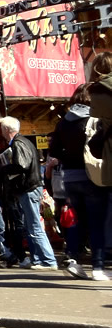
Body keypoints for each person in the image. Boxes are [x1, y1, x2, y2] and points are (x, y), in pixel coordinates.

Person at [49, 83, 109, 281]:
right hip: (92, 175)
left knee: (74, 221)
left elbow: (55, 151)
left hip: (69, 178)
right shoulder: (96, 119)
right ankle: (98, 267)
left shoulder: (64, 121)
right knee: (96, 222)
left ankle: (73, 259)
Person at [0, 116, 58, 270]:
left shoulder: (18, 143)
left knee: (34, 226)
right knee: (31, 226)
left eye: (2, 128)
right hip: (30, 187)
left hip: (28, 188)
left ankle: (48, 260)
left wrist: (4, 168)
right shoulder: (24, 142)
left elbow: (21, 165)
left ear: (6, 129)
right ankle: (39, 259)